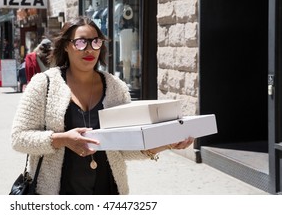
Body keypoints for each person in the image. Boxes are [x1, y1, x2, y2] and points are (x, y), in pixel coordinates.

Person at [11, 16, 194, 195]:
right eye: (81, 43)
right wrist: (63, 139)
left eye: (96, 42)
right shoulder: (44, 84)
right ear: (66, 46)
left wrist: (166, 144)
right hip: (58, 192)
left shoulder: (116, 87)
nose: (89, 49)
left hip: (108, 190)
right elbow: (19, 138)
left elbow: (124, 146)